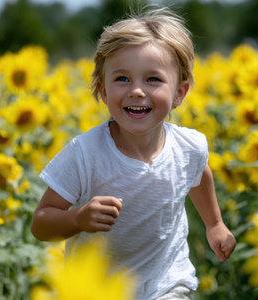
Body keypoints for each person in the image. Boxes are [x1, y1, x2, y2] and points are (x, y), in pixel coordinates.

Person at [31, 7, 236, 300]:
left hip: (166, 283)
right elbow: (41, 223)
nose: (137, 91)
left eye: (153, 79)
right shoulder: (85, 153)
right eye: (122, 79)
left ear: (180, 92)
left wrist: (215, 225)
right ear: (103, 91)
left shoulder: (189, 147)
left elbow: (199, 174)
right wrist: (77, 218)